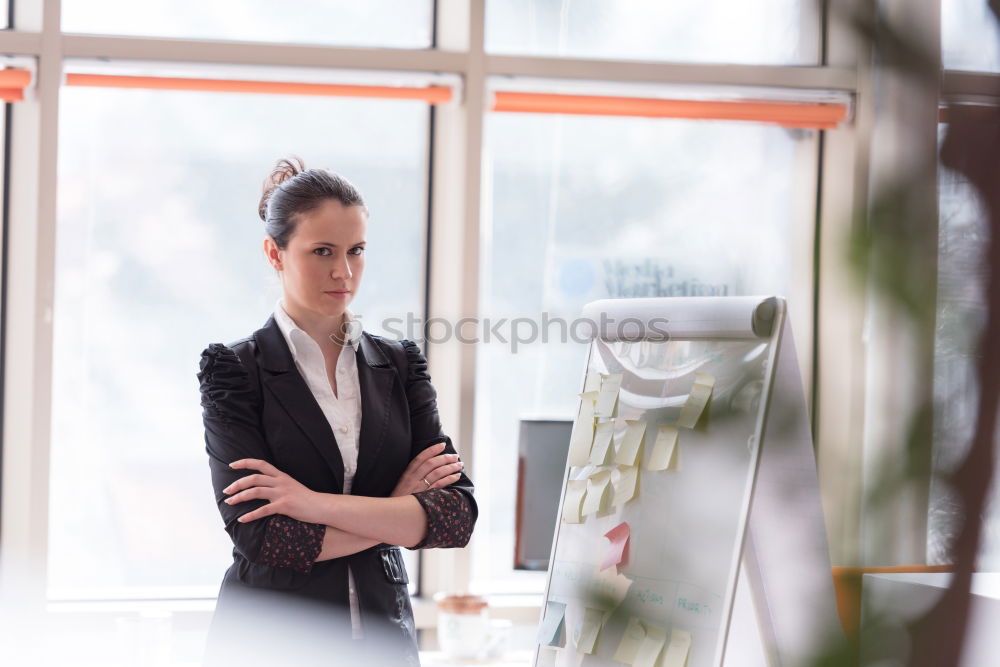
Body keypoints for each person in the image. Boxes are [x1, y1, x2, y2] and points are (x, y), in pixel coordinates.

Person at [197, 157, 477, 666]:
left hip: (384, 642)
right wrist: (397, 508)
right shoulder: (234, 370)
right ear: (274, 253)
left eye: (356, 251)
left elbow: (455, 517)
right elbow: (263, 537)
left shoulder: (400, 363)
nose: (343, 271)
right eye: (322, 251)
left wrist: (308, 502)